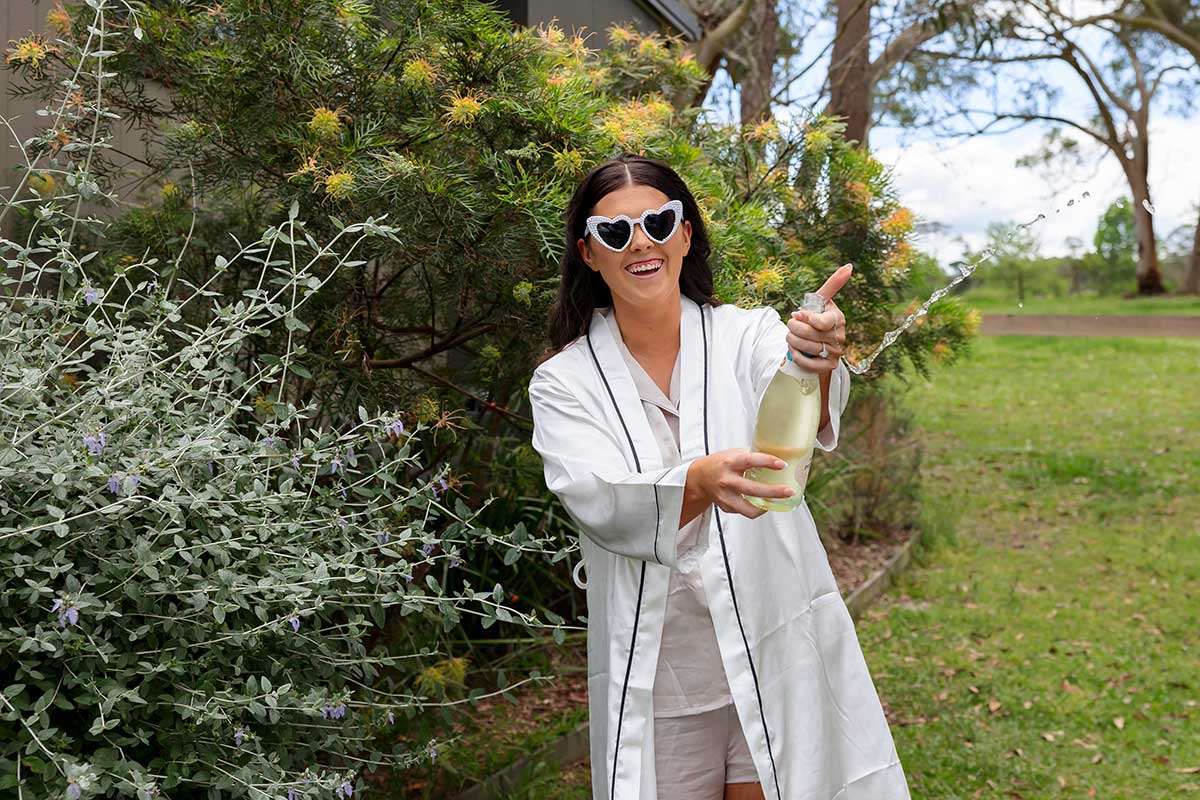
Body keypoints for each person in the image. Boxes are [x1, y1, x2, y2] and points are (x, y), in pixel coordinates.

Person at [527, 153, 909, 800]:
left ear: (684, 233)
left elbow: (790, 380)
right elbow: (596, 497)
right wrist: (699, 481)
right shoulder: (564, 382)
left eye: (657, 222)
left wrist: (815, 356)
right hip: (665, 674)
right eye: (614, 232)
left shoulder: (747, 335)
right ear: (589, 253)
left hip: (771, 644)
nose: (639, 242)